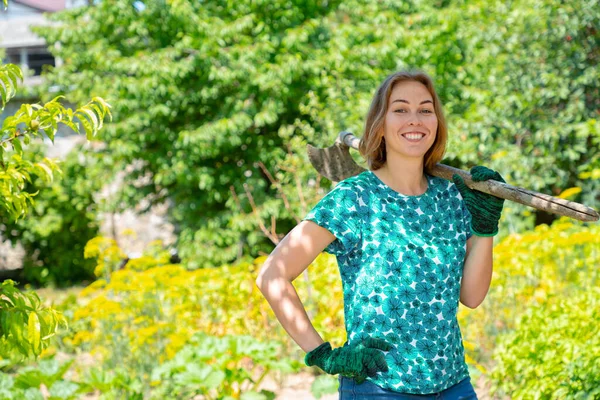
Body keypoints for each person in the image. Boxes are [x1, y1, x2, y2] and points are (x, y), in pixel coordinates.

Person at [255, 70, 506, 399]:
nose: (414, 120)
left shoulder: (452, 197)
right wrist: (322, 353)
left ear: (437, 122)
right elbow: (272, 276)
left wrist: (484, 227)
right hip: (379, 388)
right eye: (400, 109)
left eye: (425, 110)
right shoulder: (356, 198)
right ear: (380, 124)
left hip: (453, 386)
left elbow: (471, 297)